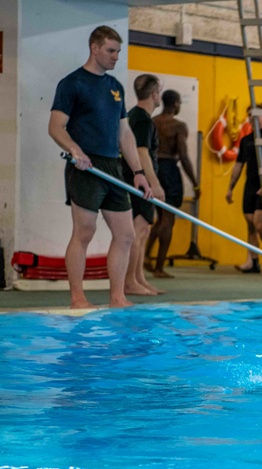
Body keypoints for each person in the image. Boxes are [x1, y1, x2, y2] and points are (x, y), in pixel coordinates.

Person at [48, 26, 152, 309]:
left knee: (126, 234)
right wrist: (75, 150)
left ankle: (117, 297)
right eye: (110, 51)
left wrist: (139, 173)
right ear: (94, 48)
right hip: (86, 167)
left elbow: (125, 134)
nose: (116, 56)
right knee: (84, 233)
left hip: (113, 167)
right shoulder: (72, 84)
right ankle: (78, 297)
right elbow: (55, 127)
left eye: (118, 51)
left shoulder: (115, 87)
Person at [147, 89, 199, 279]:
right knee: (168, 219)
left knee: (159, 217)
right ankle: (159, 267)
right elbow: (183, 156)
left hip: (152, 168)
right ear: (176, 104)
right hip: (169, 169)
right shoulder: (178, 126)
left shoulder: (152, 122)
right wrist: (195, 183)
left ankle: (146, 256)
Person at [122, 74, 165, 297]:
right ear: (154, 94)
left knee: (143, 231)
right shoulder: (142, 119)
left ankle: (139, 278)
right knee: (137, 232)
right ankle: (130, 281)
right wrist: (154, 183)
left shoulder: (136, 116)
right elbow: (141, 151)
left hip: (137, 182)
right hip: (139, 183)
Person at [226, 113, 262, 274]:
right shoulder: (246, 140)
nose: (254, 119)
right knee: (250, 223)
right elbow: (238, 165)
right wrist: (230, 187)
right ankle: (253, 261)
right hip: (251, 184)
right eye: (251, 117)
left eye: (257, 116)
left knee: (260, 224)